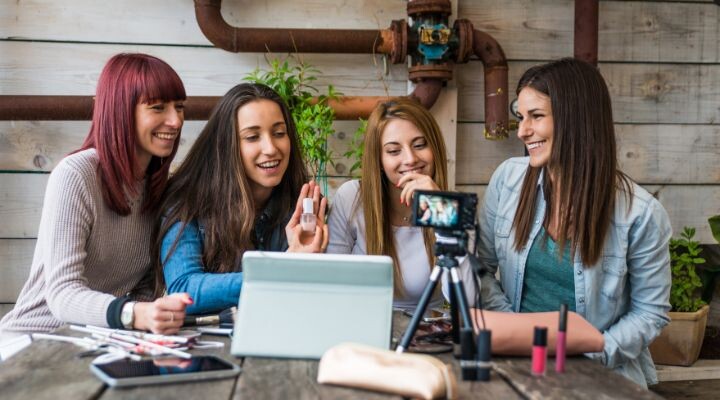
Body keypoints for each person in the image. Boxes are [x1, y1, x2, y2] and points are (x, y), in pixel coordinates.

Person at [477, 58, 672, 388]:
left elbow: (650, 313)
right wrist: (518, 334)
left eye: (536, 116)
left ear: (576, 119)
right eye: (521, 117)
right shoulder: (508, 179)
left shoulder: (640, 214)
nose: (523, 130)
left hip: (601, 374)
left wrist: (587, 354)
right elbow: (479, 268)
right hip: (516, 364)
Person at [0, 53, 193, 359]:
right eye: (158, 107)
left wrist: (150, 313)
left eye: (179, 107)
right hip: (32, 343)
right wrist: (135, 314)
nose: (176, 120)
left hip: (95, 345)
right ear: (120, 110)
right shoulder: (76, 175)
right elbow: (62, 295)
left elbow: (145, 284)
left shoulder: (161, 188)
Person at [155, 83, 327, 315]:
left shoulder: (300, 206)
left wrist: (311, 261)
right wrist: (282, 269)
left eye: (279, 133)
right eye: (252, 137)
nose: (270, 148)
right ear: (227, 145)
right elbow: (184, 288)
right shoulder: (186, 201)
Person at [327, 99, 475, 310]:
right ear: (379, 159)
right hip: (362, 325)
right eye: (394, 151)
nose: (410, 159)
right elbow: (333, 284)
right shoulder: (352, 198)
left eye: (419, 145)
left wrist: (441, 213)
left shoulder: (454, 206)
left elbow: (465, 301)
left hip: (425, 334)